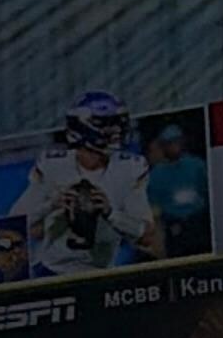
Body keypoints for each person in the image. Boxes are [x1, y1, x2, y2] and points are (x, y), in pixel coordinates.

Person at [13, 89, 155, 275]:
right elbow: (14, 225)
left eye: (118, 124)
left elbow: (146, 236)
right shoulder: (53, 165)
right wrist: (51, 205)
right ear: (83, 126)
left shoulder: (130, 168)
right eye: (107, 124)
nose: (116, 131)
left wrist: (111, 213)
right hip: (50, 273)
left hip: (100, 274)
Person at [144, 119, 212, 257]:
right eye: (169, 143)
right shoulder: (156, 174)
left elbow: (207, 192)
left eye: (176, 141)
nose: (174, 146)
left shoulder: (197, 165)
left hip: (199, 224)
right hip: (175, 227)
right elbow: (155, 208)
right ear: (163, 146)